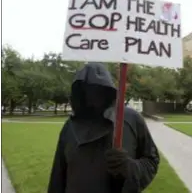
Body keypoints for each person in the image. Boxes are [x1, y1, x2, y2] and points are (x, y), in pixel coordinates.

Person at [48, 62, 160, 193]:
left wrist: (129, 166)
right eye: (87, 89)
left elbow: (151, 161)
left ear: (108, 90)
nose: (93, 95)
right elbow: (58, 175)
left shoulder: (131, 119)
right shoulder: (71, 126)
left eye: (98, 89)